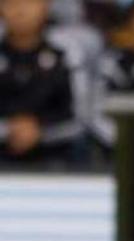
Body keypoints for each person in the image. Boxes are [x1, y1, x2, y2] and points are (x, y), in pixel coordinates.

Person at [0, 0, 86, 164]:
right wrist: (8, 130)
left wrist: (40, 130)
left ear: (46, 5)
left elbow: (81, 115)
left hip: (58, 156)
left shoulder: (67, 51)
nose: (20, 10)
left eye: (30, 3)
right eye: (11, 3)